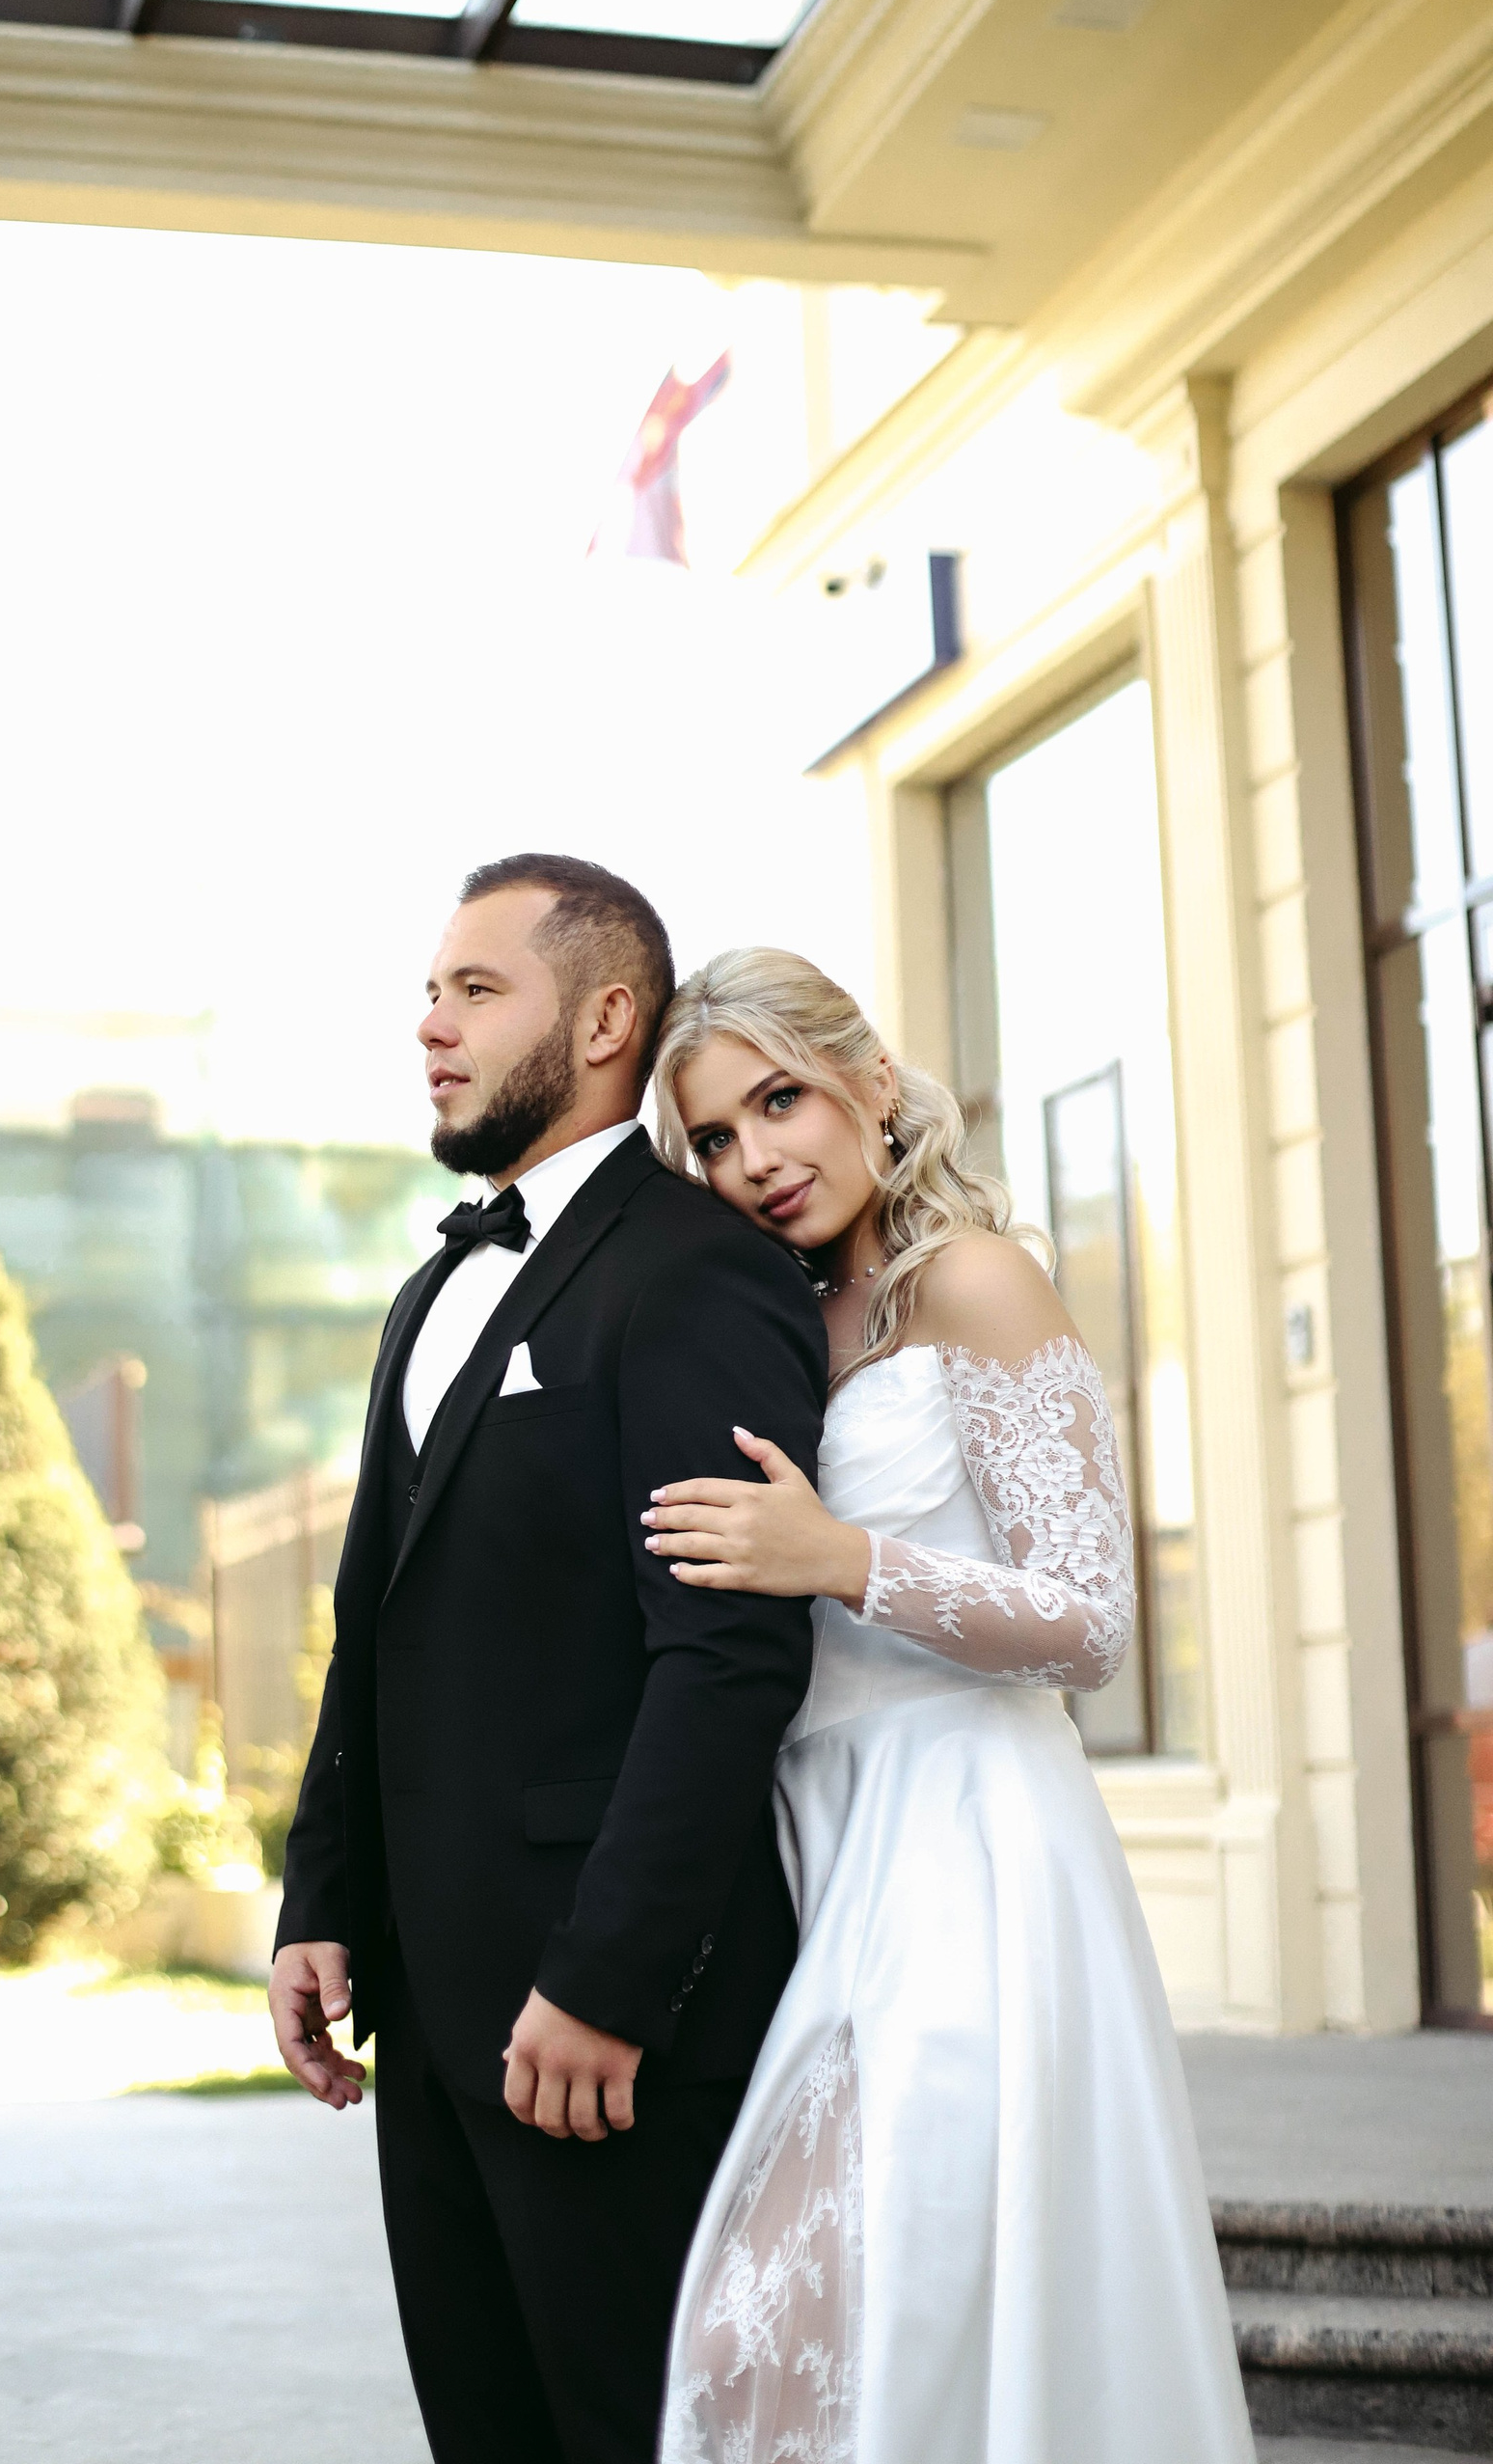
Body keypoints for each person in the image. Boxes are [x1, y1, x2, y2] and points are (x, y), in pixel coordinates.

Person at [643, 946, 1255, 2464]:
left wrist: (841, 1559)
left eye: (780, 1100)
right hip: (821, 1846)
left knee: (848, 2296)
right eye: (713, 1136)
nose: (755, 1158)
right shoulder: (782, 1319)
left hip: (973, 1847)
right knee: (799, 2330)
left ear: (868, 1082)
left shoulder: (974, 1280)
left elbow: (1092, 1622)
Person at [268, 859, 829, 2464]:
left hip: (598, 2027)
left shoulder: (700, 1270)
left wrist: (608, 1981)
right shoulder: (430, 1288)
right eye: (430, 993)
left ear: (601, 1021)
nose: (430, 1026)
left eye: (476, 990)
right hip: (431, 2017)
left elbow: (727, 1657)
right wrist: (323, 1901)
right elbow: (376, 1626)